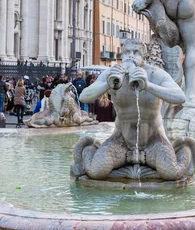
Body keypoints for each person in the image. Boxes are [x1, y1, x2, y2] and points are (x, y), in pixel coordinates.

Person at [79, 38, 189, 180]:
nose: (130, 55)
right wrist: (108, 85)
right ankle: (91, 149)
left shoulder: (155, 74)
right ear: (122, 55)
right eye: (127, 52)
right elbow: (84, 97)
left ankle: (182, 149)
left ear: (145, 57)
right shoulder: (112, 74)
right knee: (96, 171)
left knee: (171, 173)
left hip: (153, 139)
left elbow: (180, 97)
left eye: (136, 52)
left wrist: (148, 85)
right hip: (121, 139)